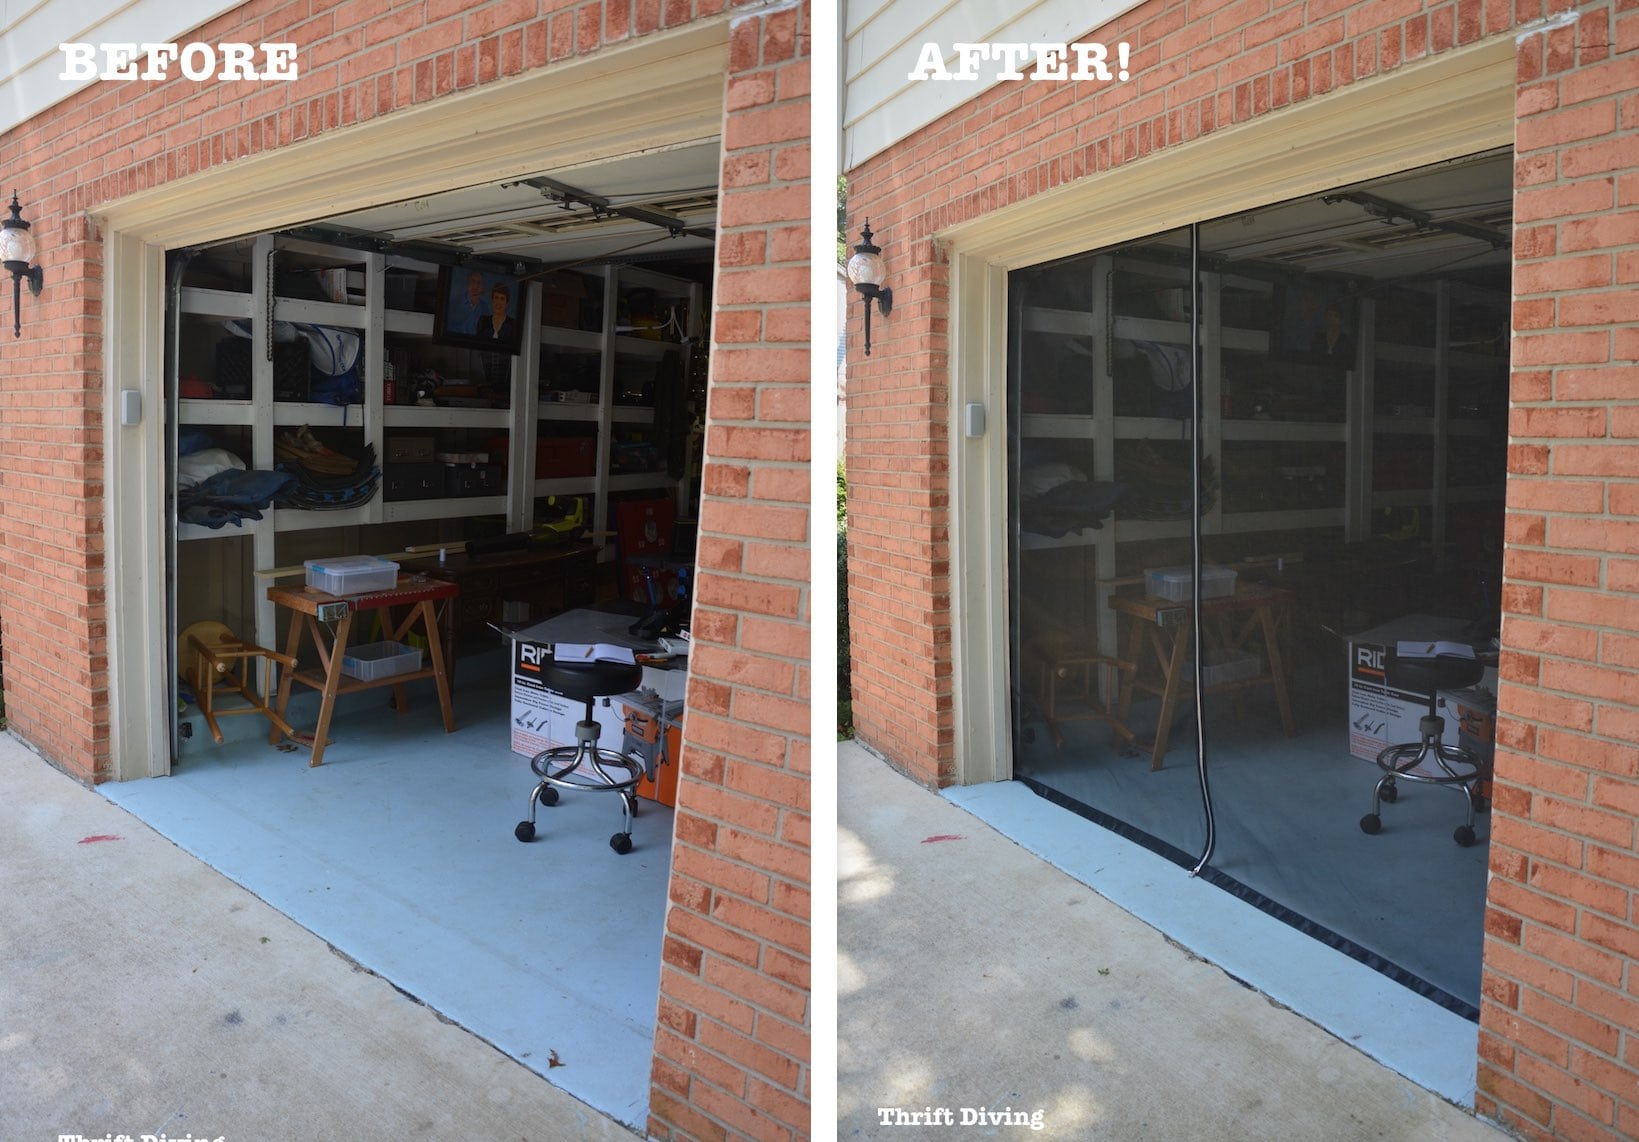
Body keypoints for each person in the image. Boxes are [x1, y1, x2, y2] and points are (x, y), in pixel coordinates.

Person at [448, 270, 488, 334]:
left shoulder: (485, 307)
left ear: (482, 287)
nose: (475, 286)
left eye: (479, 283)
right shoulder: (455, 302)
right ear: (468, 283)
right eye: (473, 281)